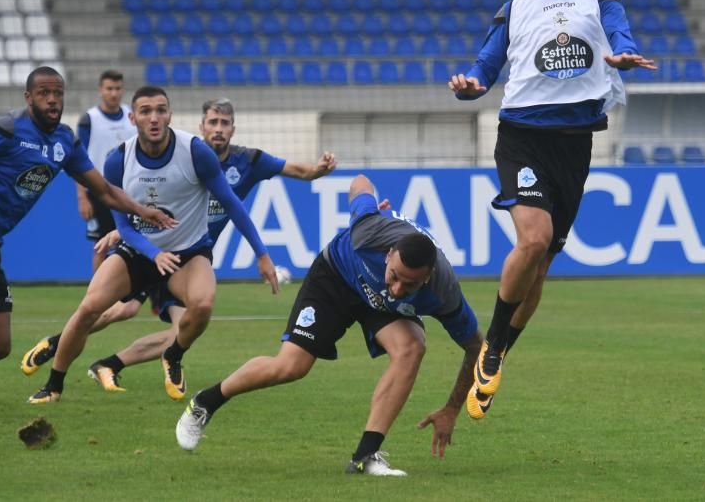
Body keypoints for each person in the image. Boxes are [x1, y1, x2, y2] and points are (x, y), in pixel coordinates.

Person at [447, 0, 655, 418]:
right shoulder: (515, 7)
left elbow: (619, 30)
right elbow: (486, 64)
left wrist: (624, 54)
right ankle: (490, 344)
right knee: (533, 239)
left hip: (574, 145)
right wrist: (472, 84)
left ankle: (496, 356)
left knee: (539, 269)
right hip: (521, 137)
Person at [0, 67, 173, 417]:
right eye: (44, 93)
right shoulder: (8, 128)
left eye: (57, 93)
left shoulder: (64, 141)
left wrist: (141, 210)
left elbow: (103, 189)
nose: (52, 100)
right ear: (29, 98)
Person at [174, 174, 483, 477]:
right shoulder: (370, 230)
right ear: (388, 254)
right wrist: (371, 201)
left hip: (378, 305)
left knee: (411, 347)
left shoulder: (444, 291)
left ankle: (365, 456)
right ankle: (205, 402)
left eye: (410, 284)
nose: (399, 288)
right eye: (395, 276)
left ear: (428, 277)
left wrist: (452, 408)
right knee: (291, 366)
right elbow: (360, 181)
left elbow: (475, 348)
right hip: (336, 278)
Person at [21, 97, 337, 391]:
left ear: (233, 129)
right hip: (151, 250)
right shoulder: (185, 155)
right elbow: (150, 201)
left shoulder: (247, 162)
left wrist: (317, 170)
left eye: (224, 123)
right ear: (201, 127)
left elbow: (295, 170)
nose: (218, 129)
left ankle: (110, 363)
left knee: (183, 326)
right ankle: (58, 344)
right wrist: (123, 231)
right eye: (212, 122)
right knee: (120, 309)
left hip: (186, 258)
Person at [76, 70, 137, 273]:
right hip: (99, 193)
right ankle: (98, 298)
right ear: (101, 90)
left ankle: (136, 297)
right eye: (109, 88)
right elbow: (78, 160)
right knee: (101, 246)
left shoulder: (132, 116)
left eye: (117, 88)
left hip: (129, 192)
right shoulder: (89, 120)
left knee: (134, 243)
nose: (114, 93)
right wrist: (82, 197)